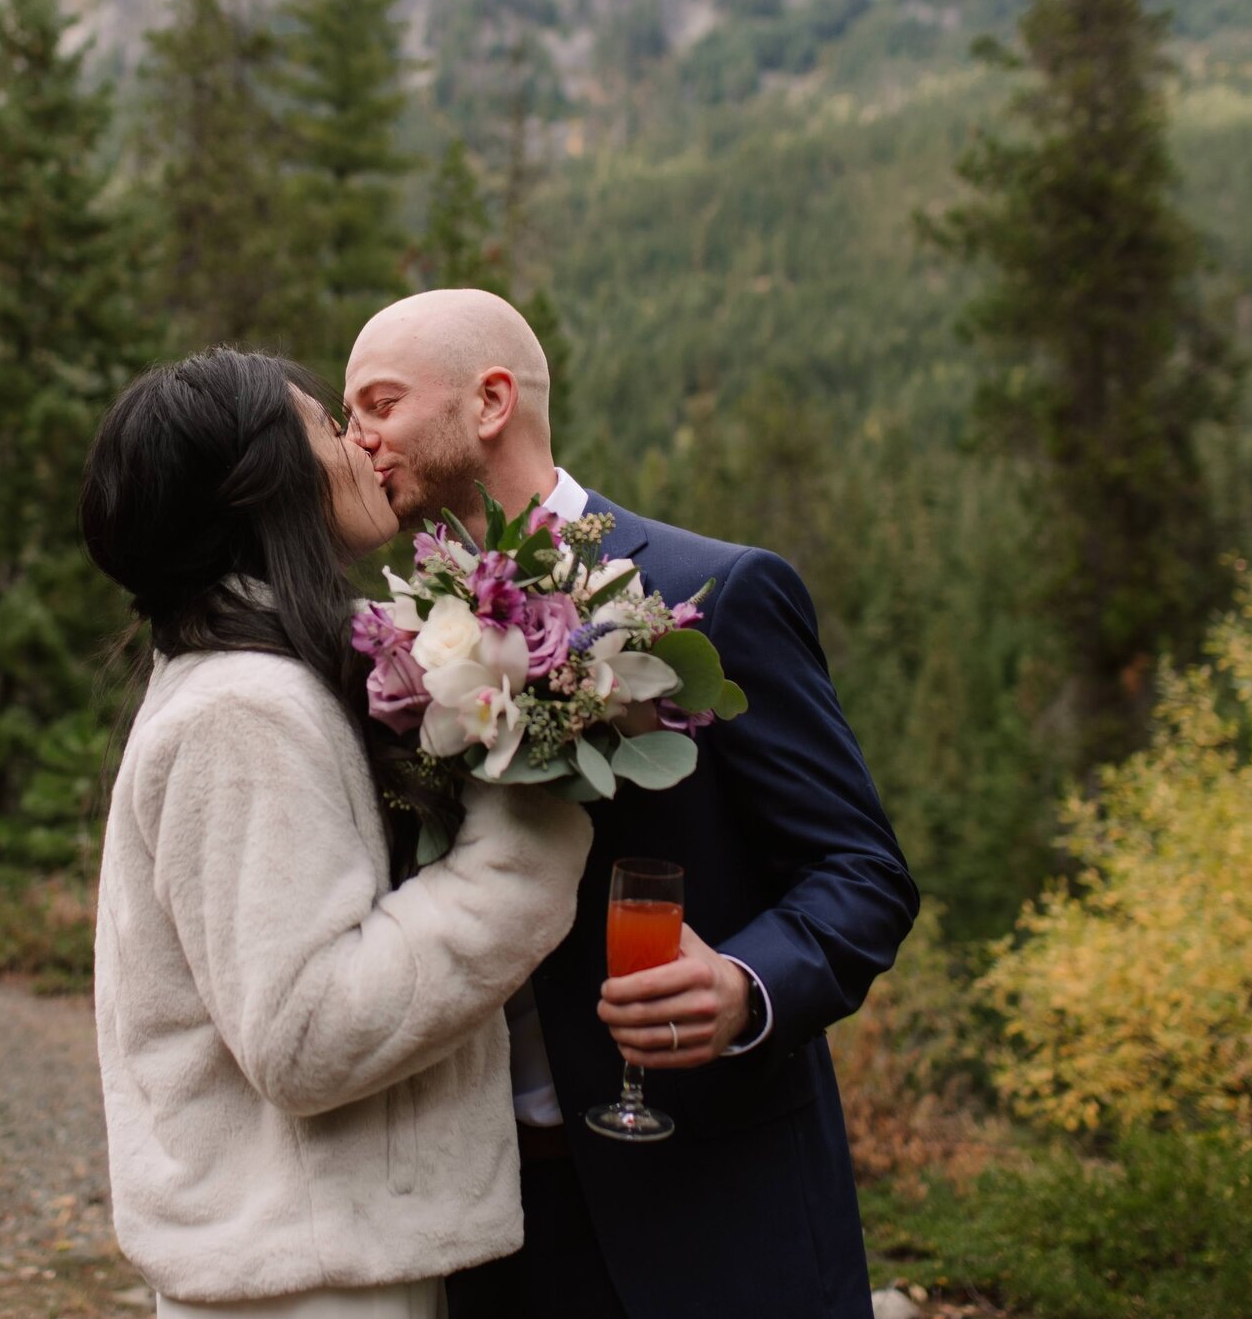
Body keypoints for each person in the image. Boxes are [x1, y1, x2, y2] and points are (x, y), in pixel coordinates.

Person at [344, 291, 920, 1319]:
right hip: (492, 1226)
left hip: (715, 1216)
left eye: (378, 404)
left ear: (489, 401)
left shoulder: (716, 592)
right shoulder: (399, 645)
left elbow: (861, 875)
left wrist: (748, 984)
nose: (358, 441)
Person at [82, 348, 596, 1317]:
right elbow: (304, 1033)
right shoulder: (244, 709)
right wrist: (522, 856)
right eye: (324, 426)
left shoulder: (265, 672)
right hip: (308, 1280)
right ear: (263, 485)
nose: (358, 442)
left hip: (323, 1253)